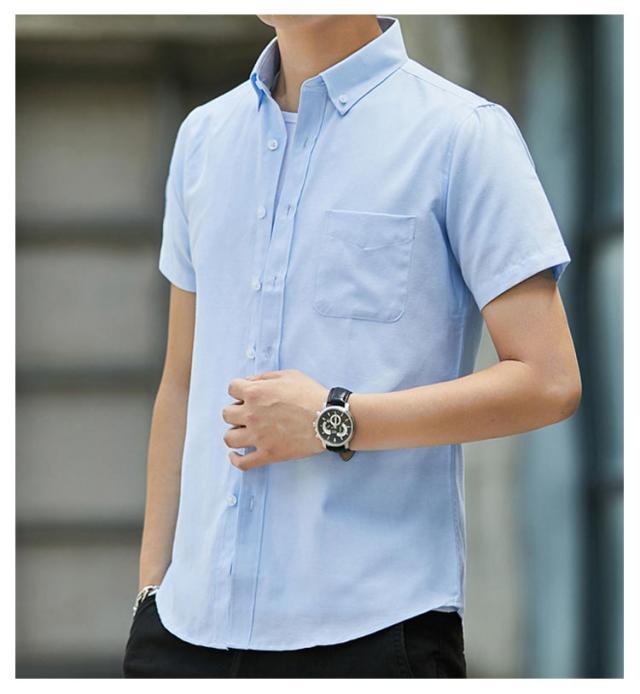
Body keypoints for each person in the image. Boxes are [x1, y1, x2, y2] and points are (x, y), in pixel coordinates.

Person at [122, 14, 581, 678]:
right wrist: (150, 594)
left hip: (373, 635)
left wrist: (334, 418)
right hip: (183, 635)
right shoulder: (202, 137)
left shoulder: (460, 134)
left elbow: (548, 380)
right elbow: (183, 381)